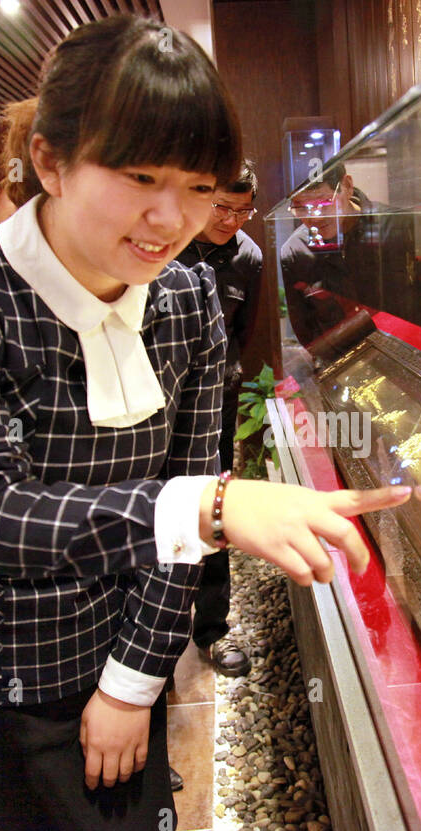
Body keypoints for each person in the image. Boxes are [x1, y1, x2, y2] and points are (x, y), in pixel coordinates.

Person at [0, 16, 409, 831]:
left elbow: (190, 490)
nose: (170, 218)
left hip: (119, 639)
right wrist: (211, 505)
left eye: (201, 186)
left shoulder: (185, 299)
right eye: (139, 177)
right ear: (50, 162)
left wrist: (134, 679)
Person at [174, 159, 262, 680]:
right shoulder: (168, 243)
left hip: (215, 402)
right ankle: (148, 642)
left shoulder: (247, 257)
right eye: (222, 208)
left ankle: (212, 629)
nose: (231, 220)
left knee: (214, 510)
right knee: (155, 507)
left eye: (243, 211)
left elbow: (244, 333)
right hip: (159, 403)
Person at [279, 163, 421, 347]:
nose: (316, 217)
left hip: (407, 355)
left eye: (324, 202)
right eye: (301, 207)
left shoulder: (402, 226)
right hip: (343, 366)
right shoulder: (295, 250)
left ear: (347, 186)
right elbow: (307, 333)